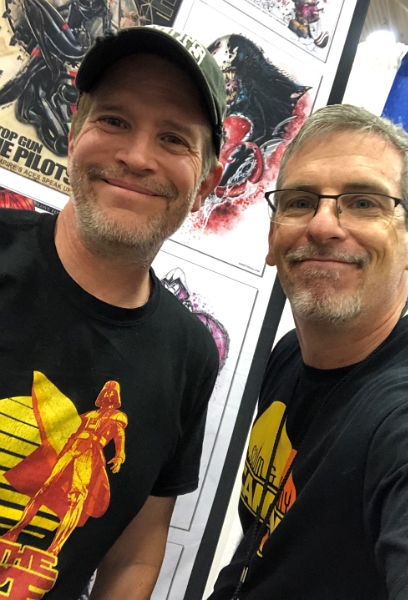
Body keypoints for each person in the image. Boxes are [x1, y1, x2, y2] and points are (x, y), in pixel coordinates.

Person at [0, 25, 226, 599]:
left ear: (206, 182)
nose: (136, 157)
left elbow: (134, 555)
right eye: (115, 121)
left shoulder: (190, 355)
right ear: (74, 132)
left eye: (173, 138)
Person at [209, 104, 408, 600]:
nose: (323, 226)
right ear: (272, 237)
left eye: (363, 203)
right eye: (300, 202)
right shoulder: (291, 355)